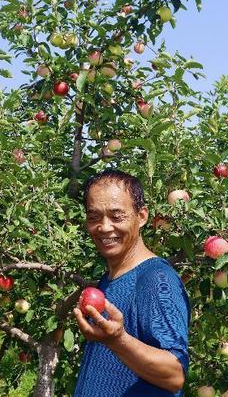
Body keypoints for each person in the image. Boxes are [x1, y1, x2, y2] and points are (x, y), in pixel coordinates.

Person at [73, 169, 190, 396]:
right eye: (94, 217)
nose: (104, 227)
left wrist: (117, 340)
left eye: (117, 216)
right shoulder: (108, 279)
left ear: (142, 216)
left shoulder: (156, 279)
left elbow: (175, 374)